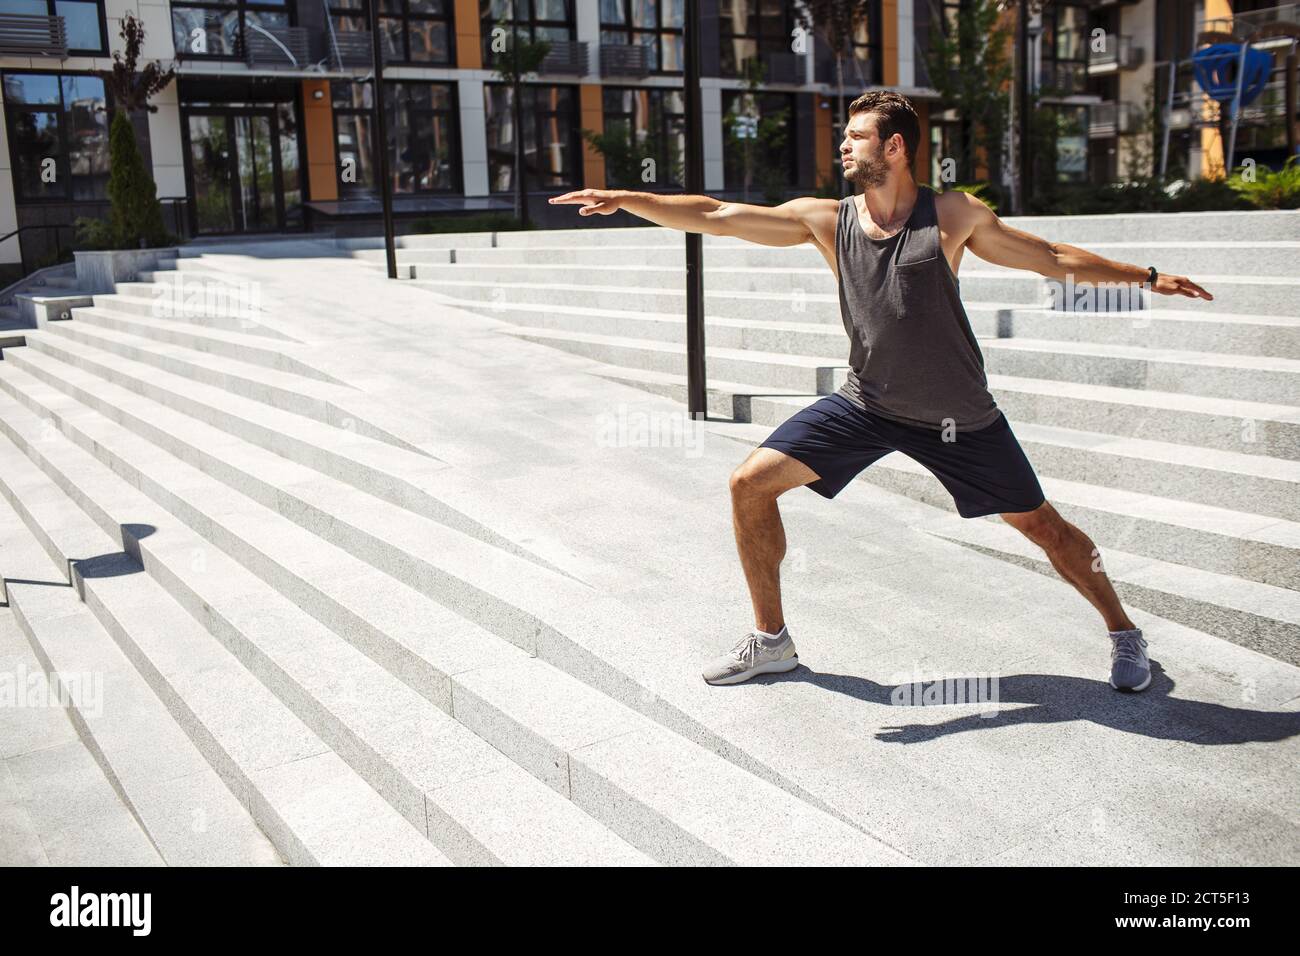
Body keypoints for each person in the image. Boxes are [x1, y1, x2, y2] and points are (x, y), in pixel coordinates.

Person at [550, 90, 1214, 694]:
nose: (843, 146)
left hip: (959, 416)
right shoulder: (826, 219)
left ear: (894, 146)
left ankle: (1125, 633)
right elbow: (720, 214)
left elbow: (1051, 257)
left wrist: (1147, 275)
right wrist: (628, 199)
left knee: (1043, 526)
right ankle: (772, 643)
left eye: (857, 136)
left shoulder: (951, 214)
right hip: (866, 405)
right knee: (749, 483)